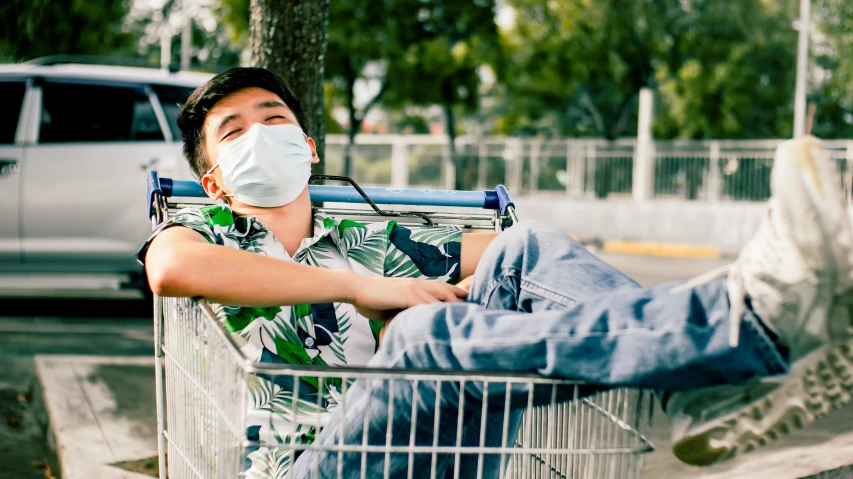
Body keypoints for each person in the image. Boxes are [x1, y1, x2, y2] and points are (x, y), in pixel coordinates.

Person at [140, 67, 853, 479]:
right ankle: (742, 319)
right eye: (234, 131)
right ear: (214, 181)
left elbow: (529, 257)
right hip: (304, 469)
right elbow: (171, 269)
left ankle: (694, 388)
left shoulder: (365, 236)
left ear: (307, 144)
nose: (260, 132)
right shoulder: (206, 231)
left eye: (273, 118)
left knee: (524, 247)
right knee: (421, 341)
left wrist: (511, 277)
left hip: (413, 451)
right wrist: (364, 287)